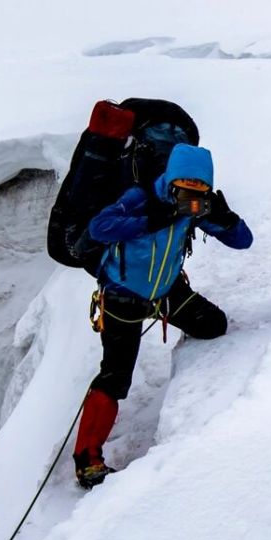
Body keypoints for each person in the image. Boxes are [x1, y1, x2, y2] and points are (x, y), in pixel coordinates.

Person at [71, 142, 252, 487]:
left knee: (215, 326)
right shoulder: (141, 199)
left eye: (198, 191)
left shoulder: (195, 210)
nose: (189, 198)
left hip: (166, 291)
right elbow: (99, 227)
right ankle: (87, 460)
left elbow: (244, 242)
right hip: (122, 298)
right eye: (184, 190)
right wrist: (150, 220)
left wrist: (226, 220)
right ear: (171, 181)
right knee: (115, 377)